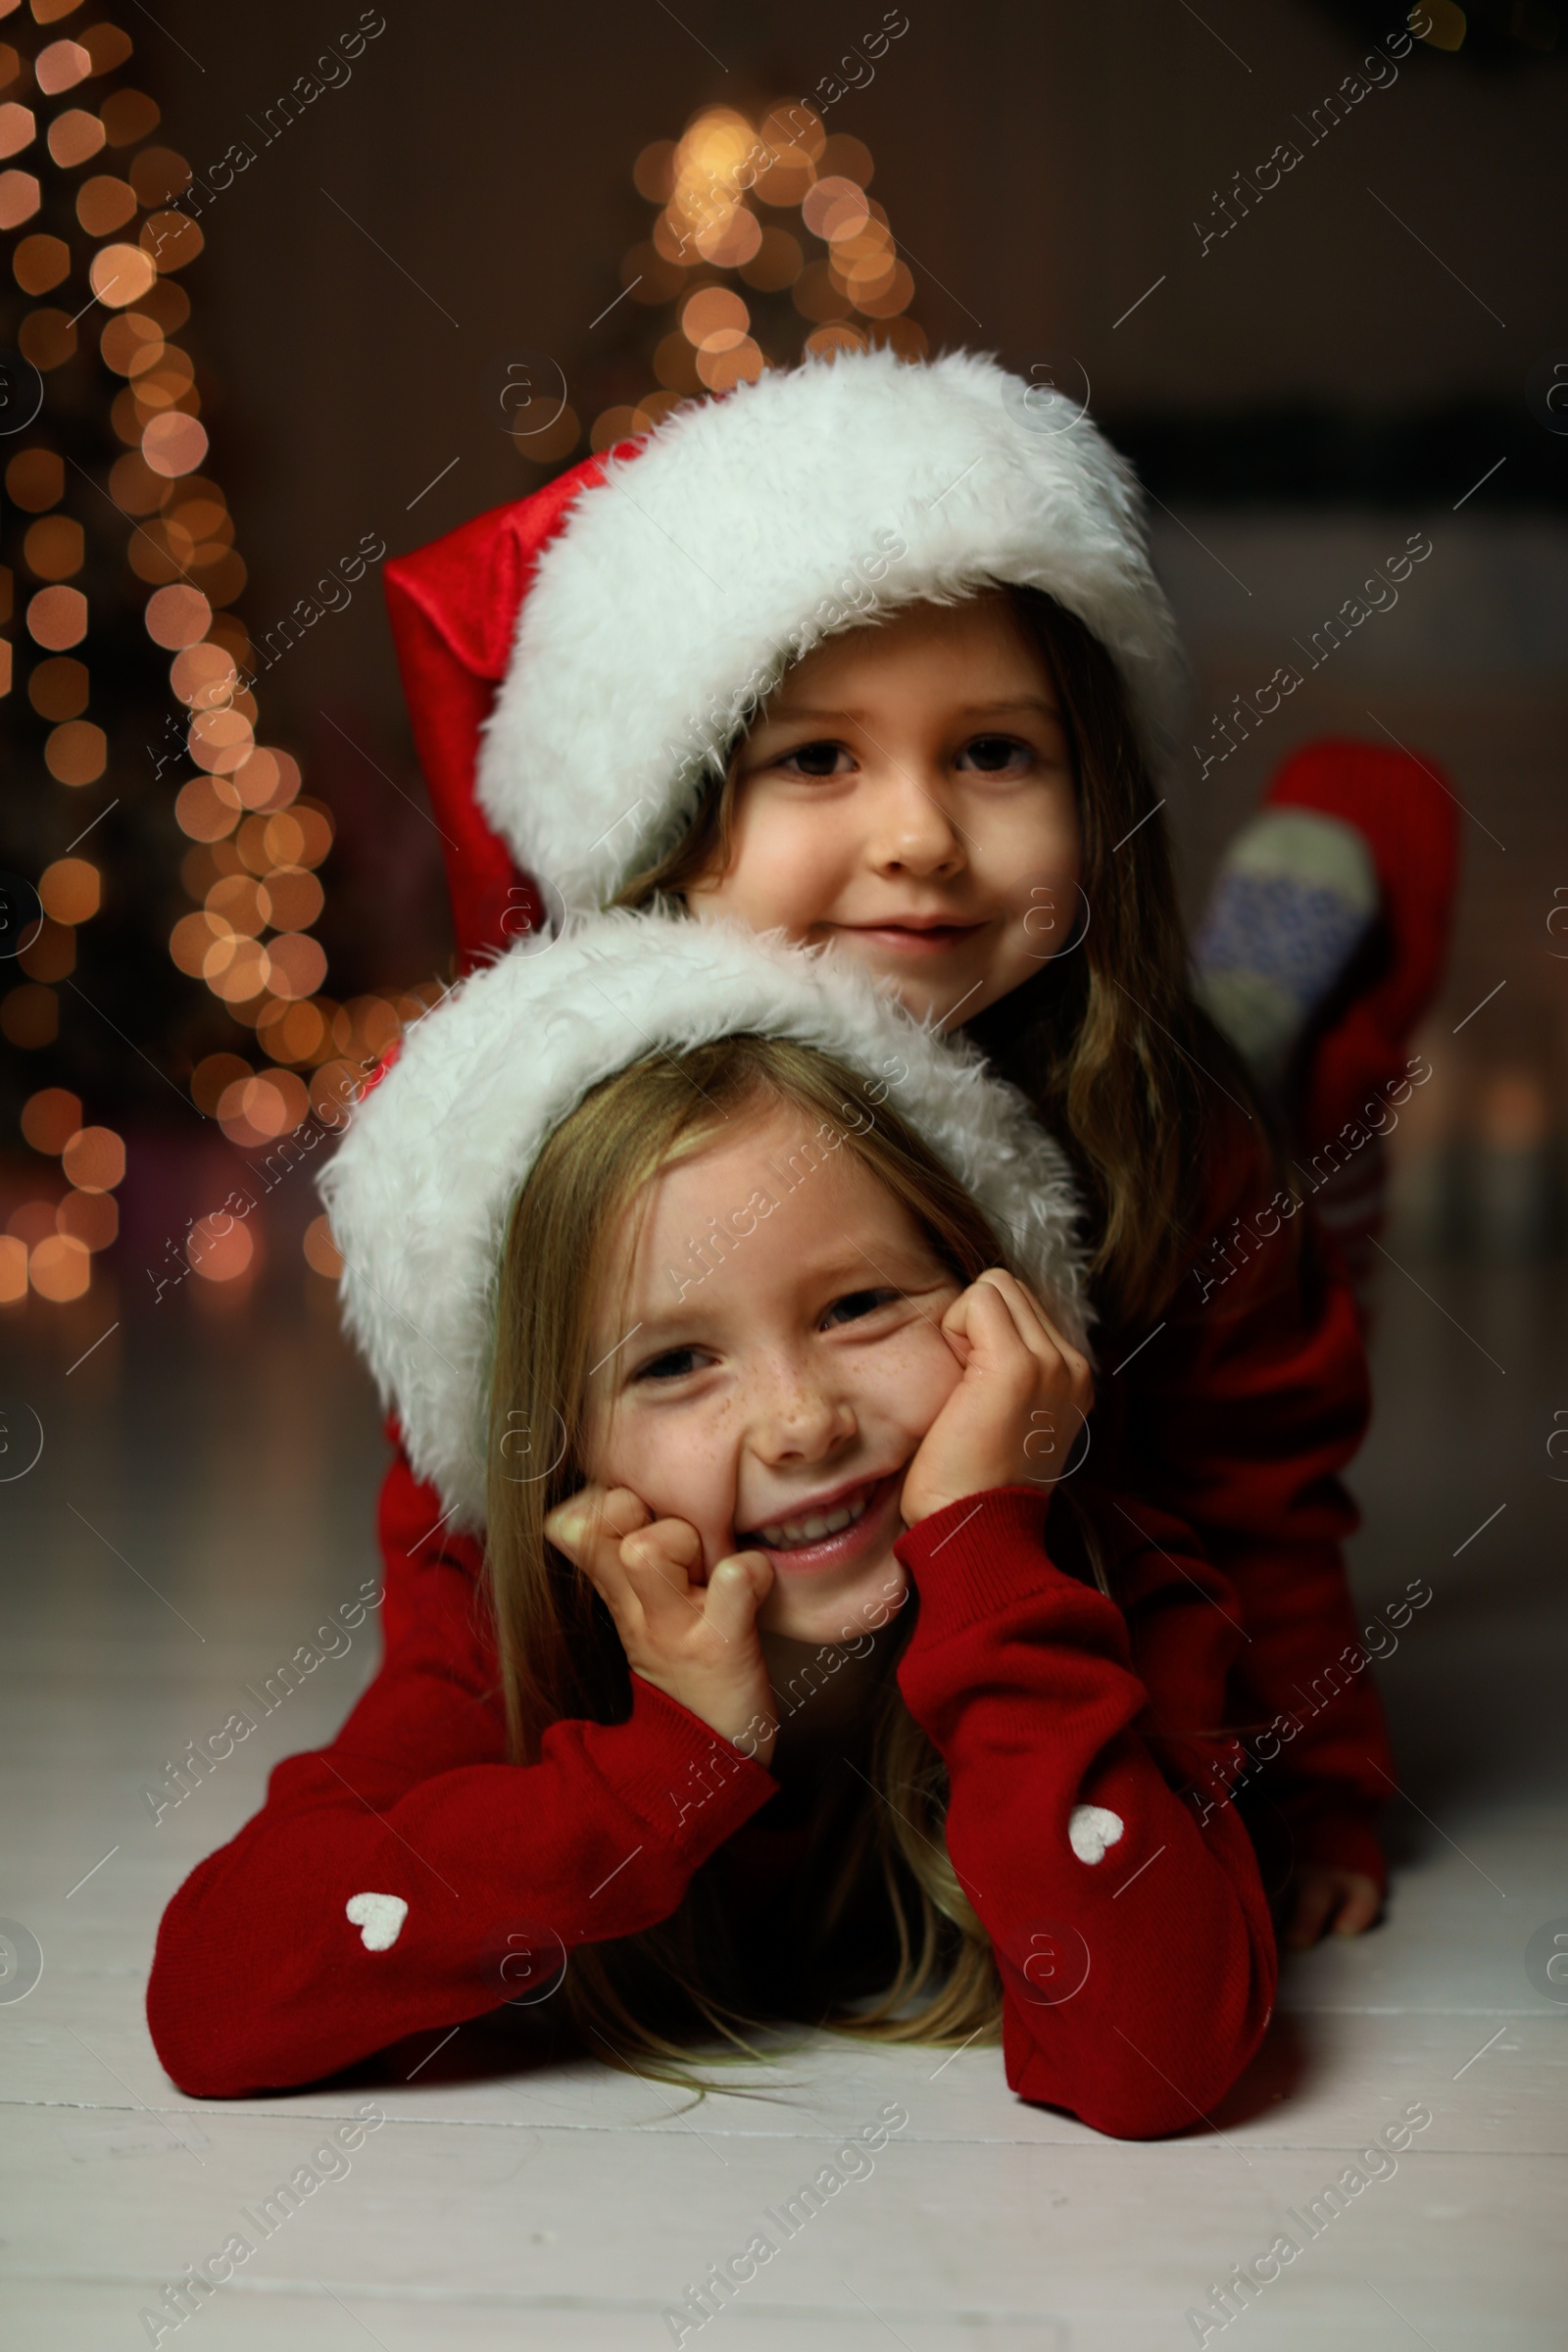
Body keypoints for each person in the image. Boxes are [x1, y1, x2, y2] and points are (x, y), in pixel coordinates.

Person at [378, 347, 1400, 1949]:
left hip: (1166, 1124)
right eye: (817, 760)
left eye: (996, 752)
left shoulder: (1176, 1143)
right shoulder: (568, 1142)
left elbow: (1258, 1482)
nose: (919, 836)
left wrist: (1318, 1775)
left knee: (1280, 1095)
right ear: (665, 830)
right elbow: (455, 1540)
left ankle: (1287, 976)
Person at [147, 913, 1276, 2139]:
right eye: (676, 1362)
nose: (799, 1423)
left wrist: (989, 1559)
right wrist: (663, 1763)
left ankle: (1265, 985)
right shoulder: (501, 1639)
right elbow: (211, 2000)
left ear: (997, 1305)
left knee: (1243, 1110)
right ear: (560, 1455)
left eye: (857, 1305)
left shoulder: (1111, 1585)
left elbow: (1153, 2055)